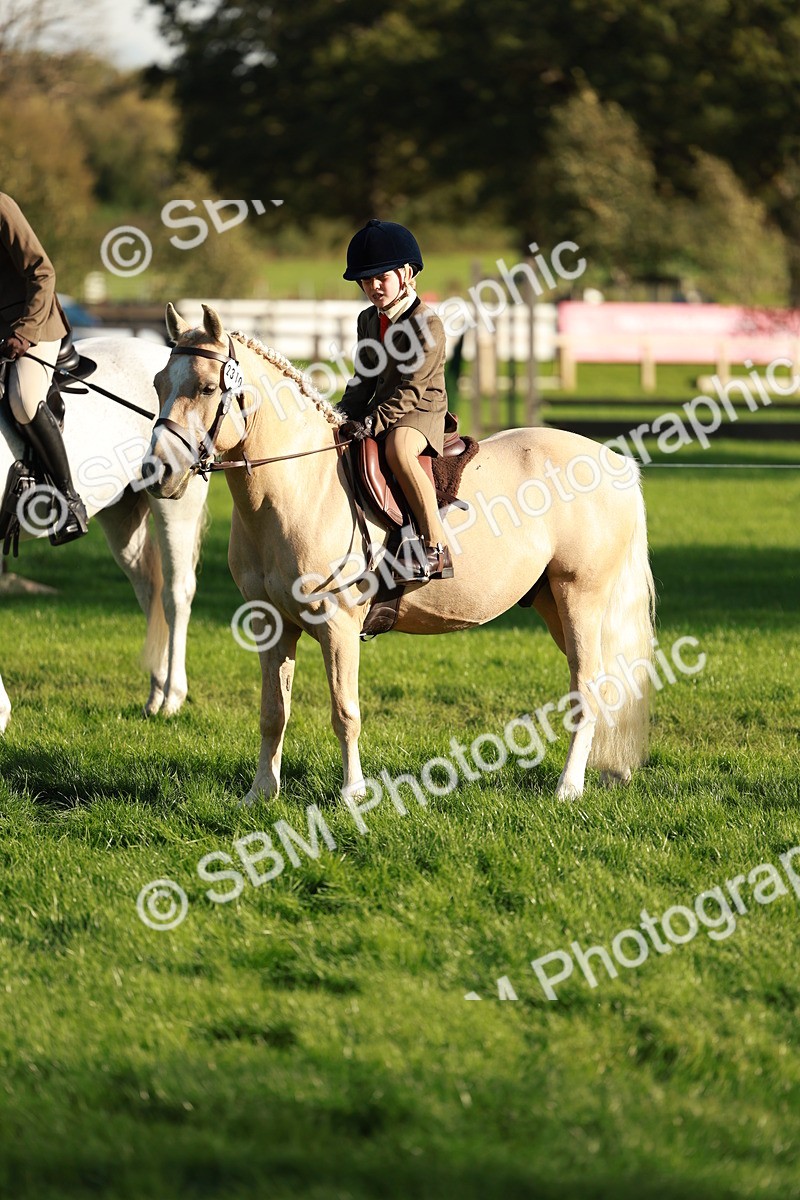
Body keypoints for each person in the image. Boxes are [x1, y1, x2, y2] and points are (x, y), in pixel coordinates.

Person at [337, 218, 453, 582]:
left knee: (398, 449)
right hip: (385, 408)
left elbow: (412, 389)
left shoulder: (427, 324)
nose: (372, 287)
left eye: (381, 278)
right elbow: (364, 378)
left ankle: (435, 547)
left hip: (421, 411)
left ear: (405, 274)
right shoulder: (368, 321)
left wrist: (372, 422)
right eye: (365, 280)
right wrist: (341, 412)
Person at [0, 192, 88, 542]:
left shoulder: (1, 207)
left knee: (23, 400)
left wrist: (25, 332)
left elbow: (42, 271)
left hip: (33, 325)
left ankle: (69, 499)